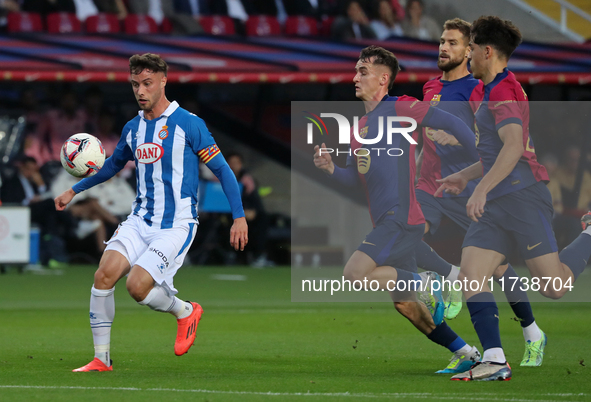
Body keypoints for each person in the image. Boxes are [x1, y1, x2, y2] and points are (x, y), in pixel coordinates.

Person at [54, 53, 248, 372]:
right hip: (139, 220)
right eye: (135, 84)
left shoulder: (189, 123)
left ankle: (184, 311)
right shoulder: (132, 129)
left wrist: (238, 216)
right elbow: (112, 166)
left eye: (146, 84)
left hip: (176, 225)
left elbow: (224, 170)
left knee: (136, 286)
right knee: (103, 275)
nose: (140, 91)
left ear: (163, 81)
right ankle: (101, 359)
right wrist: (74, 190)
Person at [436, 16, 591, 381]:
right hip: (498, 202)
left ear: (486, 51)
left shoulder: (504, 90)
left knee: (554, 288)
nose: (468, 55)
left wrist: (483, 189)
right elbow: (495, 153)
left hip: (522, 197)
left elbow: (514, 147)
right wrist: (466, 175)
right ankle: (494, 359)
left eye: (471, 48)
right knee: (473, 276)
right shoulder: (490, 90)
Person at [313, 45, 483, 373]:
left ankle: (430, 280)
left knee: (354, 274)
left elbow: (452, 123)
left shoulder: (401, 107)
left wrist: (480, 157)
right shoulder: (358, 129)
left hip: (401, 217)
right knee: (406, 305)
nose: (355, 77)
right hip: (387, 219)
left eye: (363, 71)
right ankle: (465, 353)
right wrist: (331, 168)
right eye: (356, 70)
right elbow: (354, 182)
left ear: (384, 78)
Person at [414, 18, 545, 369]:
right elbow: (426, 140)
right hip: (434, 185)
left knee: (499, 269)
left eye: (455, 43)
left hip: (474, 190)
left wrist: (457, 139)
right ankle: (452, 297)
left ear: (471, 49)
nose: (445, 48)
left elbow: (494, 144)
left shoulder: (481, 89)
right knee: (408, 231)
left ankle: (531, 330)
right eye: (442, 41)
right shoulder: (428, 88)